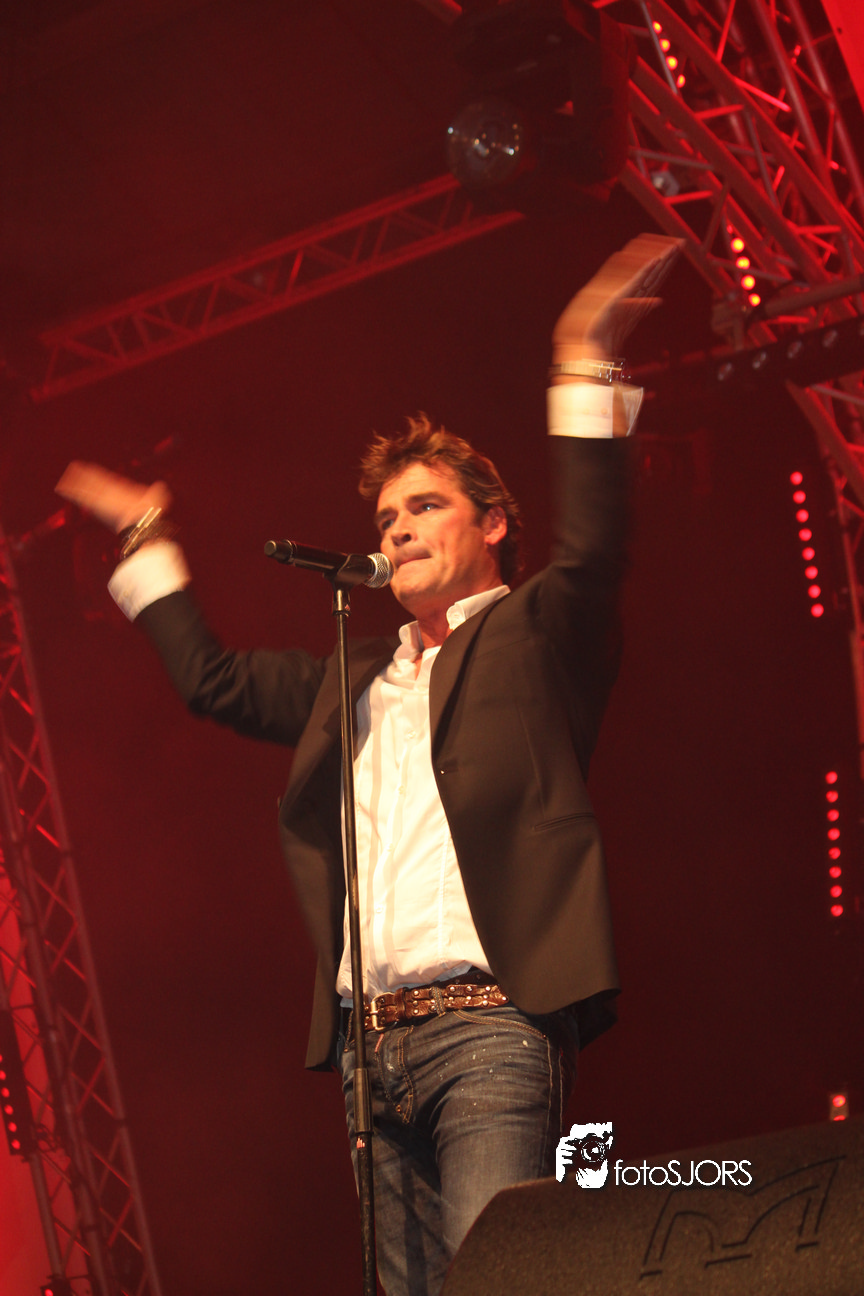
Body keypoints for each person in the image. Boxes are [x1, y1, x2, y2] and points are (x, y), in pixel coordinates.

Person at [57, 233, 680, 1296]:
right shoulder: (351, 682)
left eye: (424, 507)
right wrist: (148, 534)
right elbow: (212, 681)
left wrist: (584, 356)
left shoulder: (535, 634)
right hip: (370, 1058)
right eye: (385, 519)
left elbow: (596, 548)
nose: (396, 532)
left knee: (497, 1283)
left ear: (494, 525)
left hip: (491, 1031)